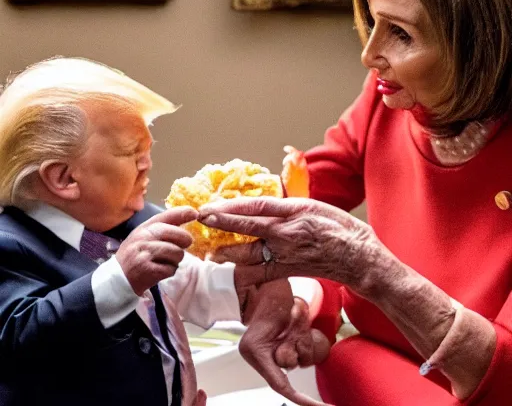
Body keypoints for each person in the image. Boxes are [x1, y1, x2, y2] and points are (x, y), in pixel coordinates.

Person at [198, 0, 512, 404]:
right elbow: (304, 198)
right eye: (372, 18)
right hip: (365, 370)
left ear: (484, 48)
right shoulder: (387, 96)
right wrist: (299, 295)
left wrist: (366, 268)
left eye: (401, 34)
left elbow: (501, 377)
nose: (369, 56)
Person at [0, 57, 327, 406]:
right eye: (131, 152)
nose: (148, 162)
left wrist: (249, 292)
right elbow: (20, 338)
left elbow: (183, 283)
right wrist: (120, 278)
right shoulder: (10, 247)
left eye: (148, 148)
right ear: (65, 178)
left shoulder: (131, 223)